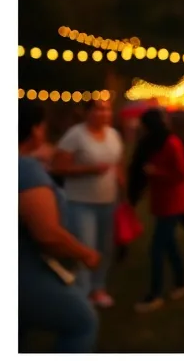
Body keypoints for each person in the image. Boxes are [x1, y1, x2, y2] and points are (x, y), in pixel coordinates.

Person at [19, 100, 100, 352]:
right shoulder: (24, 170)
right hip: (25, 273)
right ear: (34, 130)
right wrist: (85, 253)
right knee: (82, 322)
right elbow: (48, 235)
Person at [52, 99, 124, 308]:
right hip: (81, 202)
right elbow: (58, 167)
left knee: (104, 247)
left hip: (108, 201)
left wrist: (123, 191)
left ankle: (98, 288)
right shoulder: (76, 135)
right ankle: (82, 294)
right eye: (98, 109)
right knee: (85, 247)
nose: (103, 113)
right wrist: (87, 170)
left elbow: (118, 165)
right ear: (87, 113)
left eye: (107, 109)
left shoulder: (113, 135)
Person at [128, 108, 184, 312]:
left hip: (173, 203)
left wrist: (157, 173)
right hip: (162, 202)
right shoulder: (153, 144)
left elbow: (181, 174)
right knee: (170, 245)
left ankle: (155, 294)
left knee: (156, 249)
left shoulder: (172, 143)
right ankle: (182, 282)